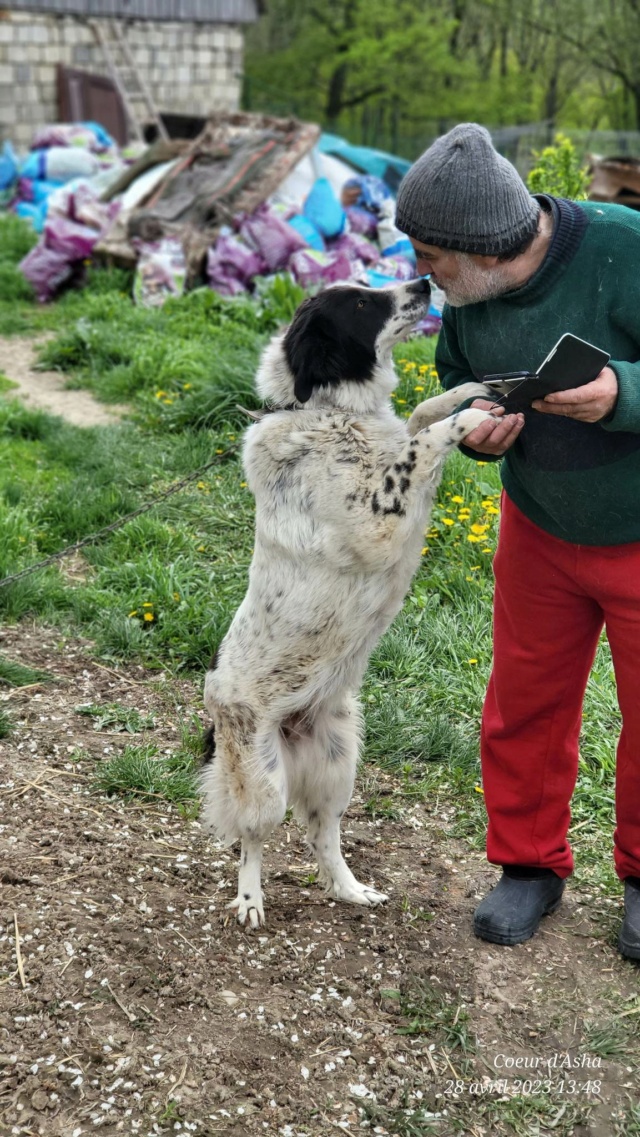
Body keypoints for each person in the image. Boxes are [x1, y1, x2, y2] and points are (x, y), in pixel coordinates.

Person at [394, 123, 640, 957]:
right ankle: (529, 866)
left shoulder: (624, 248)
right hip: (539, 524)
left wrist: (622, 393)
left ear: (484, 249)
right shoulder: (467, 297)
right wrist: (475, 433)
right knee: (524, 704)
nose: (421, 271)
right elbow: (454, 375)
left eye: (430, 254)